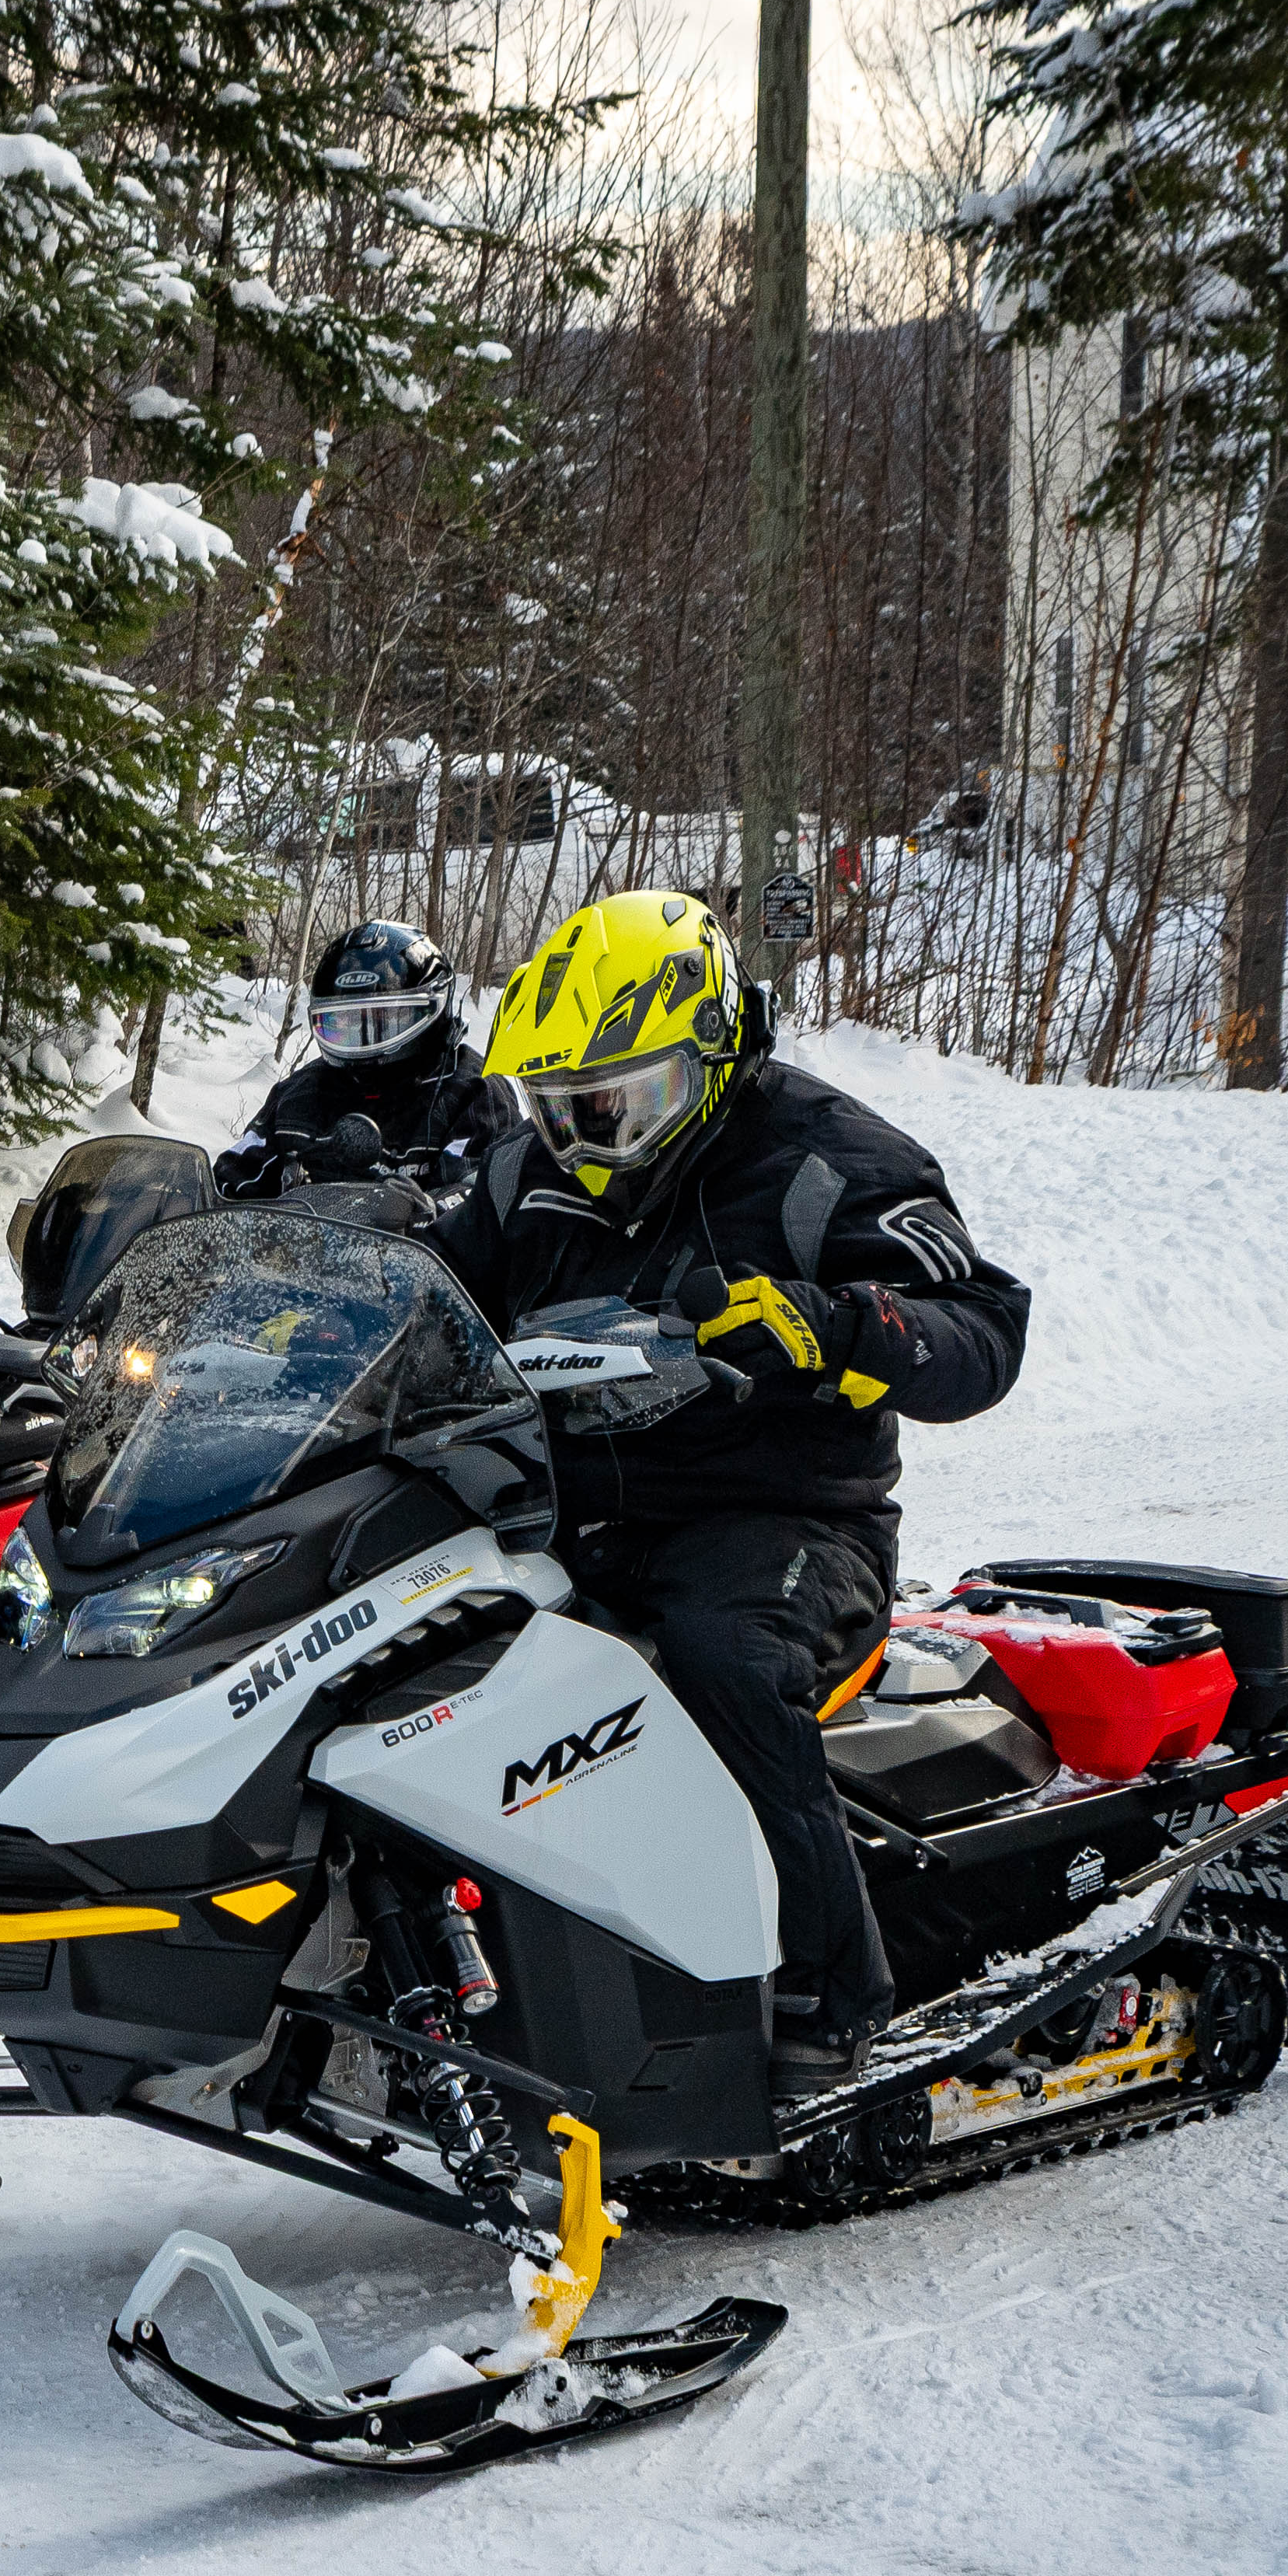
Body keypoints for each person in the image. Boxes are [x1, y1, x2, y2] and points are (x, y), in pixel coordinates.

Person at [459, 889, 1030, 2084]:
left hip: (780, 1516)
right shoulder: (528, 1174)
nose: (588, 1140)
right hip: (564, 1504)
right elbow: (430, 1274)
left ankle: (830, 1988)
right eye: (560, 1110)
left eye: (620, 1102)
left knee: (724, 1663)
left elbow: (982, 1333)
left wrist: (840, 1327)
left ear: (715, 1053)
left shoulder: (835, 1160)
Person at [211, 920, 519, 1201]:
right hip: (297, 1257)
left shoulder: (474, 1094)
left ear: (433, 1010)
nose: (364, 1042)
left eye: (386, 1022)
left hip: (421, 1257)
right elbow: (229, 1181)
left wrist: (416, 1210)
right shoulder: (299, 1095)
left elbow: (482, 1202)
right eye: (344, 1026)